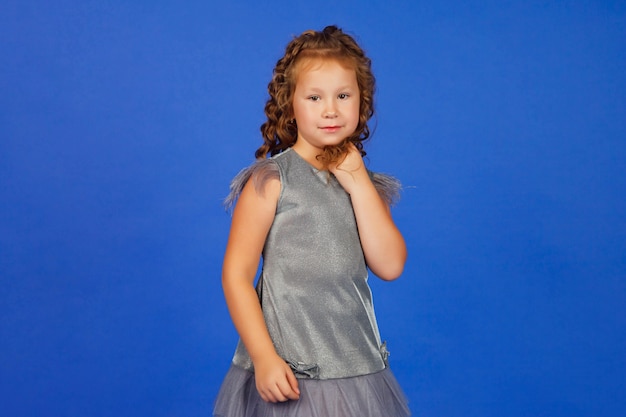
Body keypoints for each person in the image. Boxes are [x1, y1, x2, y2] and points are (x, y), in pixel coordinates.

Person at [213, 25, 410, 417]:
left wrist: (356, 181)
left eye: (343, 95)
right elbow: (236, 276)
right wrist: (264, 357)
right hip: (288, 370)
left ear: (361, 101)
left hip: (357, 371)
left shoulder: (366, 187)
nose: (331, 109)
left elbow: (389, 265)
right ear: (291, 103)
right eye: (315, 97)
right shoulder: (272, 181)